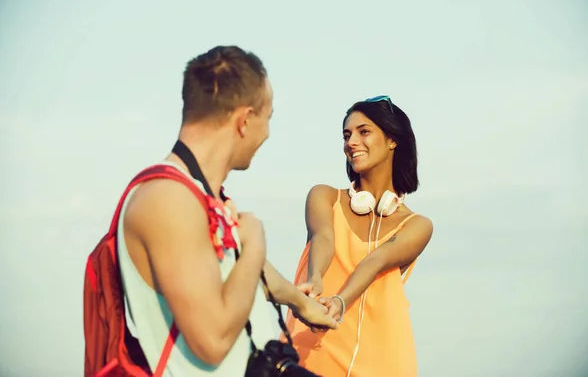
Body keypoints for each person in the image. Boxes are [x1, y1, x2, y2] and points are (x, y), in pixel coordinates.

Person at [117, 46, 338, 376]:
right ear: (246, 120)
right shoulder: (166, 200)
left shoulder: (198, 196)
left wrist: (302, 303)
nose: (268, 133)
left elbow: (247, 272)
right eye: (269, 117)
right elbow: (212, 338)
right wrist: (255, 239)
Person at [283, 96, 434, 377]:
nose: (351, 142)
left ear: (392, 140)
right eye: (347, 134)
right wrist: (315, 280)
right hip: (309, 356)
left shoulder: (417, 225)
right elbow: (323, 238)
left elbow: (375, 261)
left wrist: (339, 301)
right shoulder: (324, 197)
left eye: (363, 132)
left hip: (382, 364)